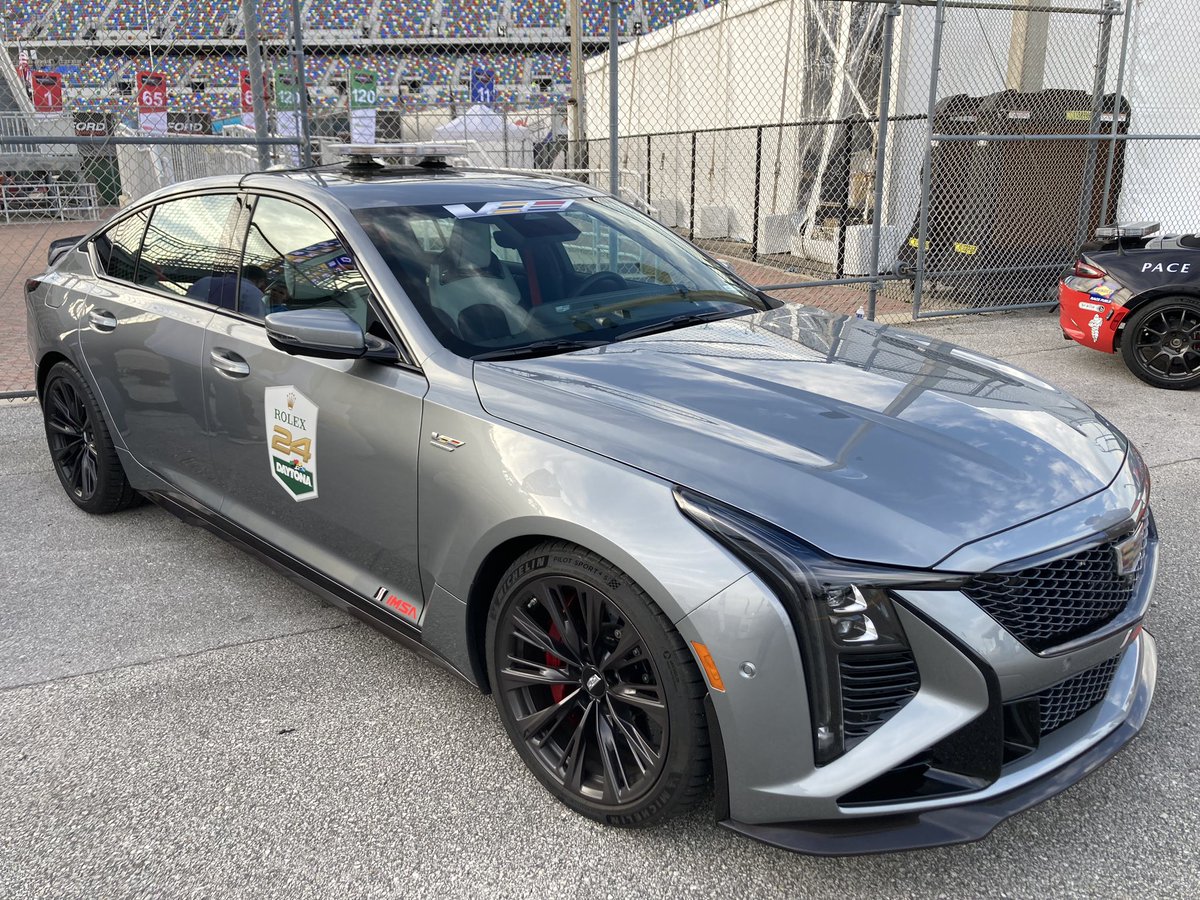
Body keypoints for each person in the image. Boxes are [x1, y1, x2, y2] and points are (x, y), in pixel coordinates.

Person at [186, 264, 270, 316]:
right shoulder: (254, 293)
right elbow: (256, 320)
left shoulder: (205, 281)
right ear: (261, 281)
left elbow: (188, 305)